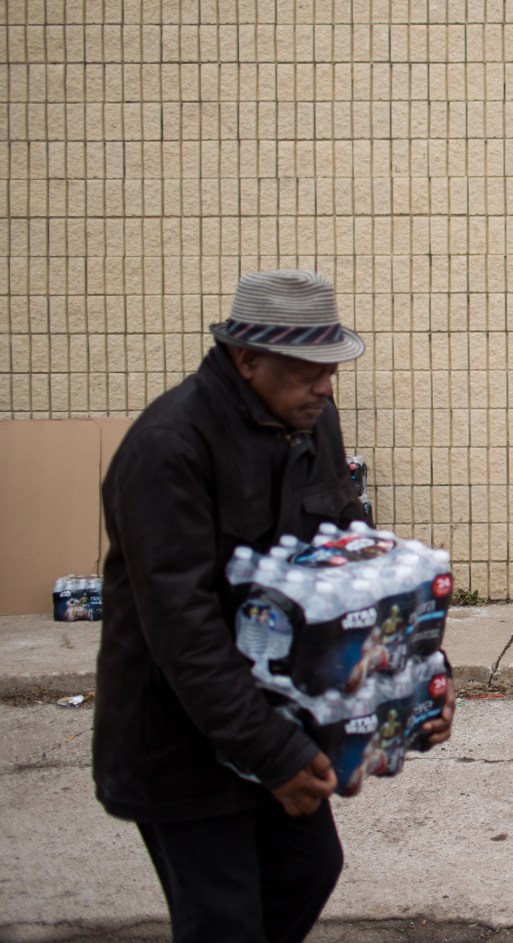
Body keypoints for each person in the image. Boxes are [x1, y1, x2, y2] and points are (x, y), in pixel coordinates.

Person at [93, 269, 456, 943]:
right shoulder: (169, 448)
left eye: (331, 369)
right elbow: (183, 633)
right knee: (225, 917)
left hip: (279, 711)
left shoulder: (311, 421)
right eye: (308, 368)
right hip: (184, 735)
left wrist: (420, 680)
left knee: (307, 868)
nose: (326, 385)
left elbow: (357, 555)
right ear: (247, 359)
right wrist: (273, 753)